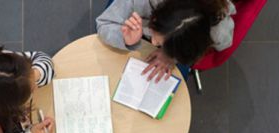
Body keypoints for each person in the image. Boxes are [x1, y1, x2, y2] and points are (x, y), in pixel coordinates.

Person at [96, 0, 236, 82]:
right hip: (134, 26)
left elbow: (223, 43)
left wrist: (170, 56)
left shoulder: (218, 31)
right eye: (155, 34)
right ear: (155, 16)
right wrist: (126, 39)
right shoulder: (142, 2)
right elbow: (104, 23)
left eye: (160, 43)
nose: (154, 43)